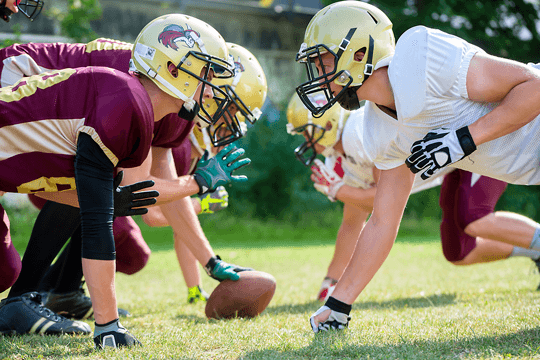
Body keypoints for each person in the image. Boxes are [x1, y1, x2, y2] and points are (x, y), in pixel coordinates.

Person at [0, 14, 249, 349]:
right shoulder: (125, 93)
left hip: (27, 145)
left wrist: (210, 261)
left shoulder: (160, 106)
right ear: (172, 68)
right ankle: (32, 296)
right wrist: (108, 325)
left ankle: (45, 296)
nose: (213, 90)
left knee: (100, 204)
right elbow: (131, 197)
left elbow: (127, 194)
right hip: (12, 76)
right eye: (205, 73)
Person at [293, 1, 540, 333]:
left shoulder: (420, 57)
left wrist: (464, 139)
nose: (318, 74)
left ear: (358, 53)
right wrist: (339, 303)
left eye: (322, 60)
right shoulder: (377, 130)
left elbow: (533, 86)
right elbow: (381, 221)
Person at [286, 93, 540, 305]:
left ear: (328, 124)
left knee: (473, 218)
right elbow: (352, 223)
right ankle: (533, 251)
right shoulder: (339, 159)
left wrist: (338, 190)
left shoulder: (358, 135)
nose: (304, 141)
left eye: (306, 132)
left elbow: (386, 200)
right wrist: (331, 281)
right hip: (453, 163)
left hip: (473, 143)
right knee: (459, 252)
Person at [141, 42, 268, 304]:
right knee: (132, 250)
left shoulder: (195, 139)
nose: (234, 122)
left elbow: (181, 222)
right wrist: (202, 203)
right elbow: (153, 214)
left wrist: (196, 286)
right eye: (232, 110)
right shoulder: (177, 134)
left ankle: (194, 290)